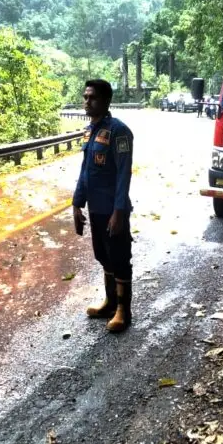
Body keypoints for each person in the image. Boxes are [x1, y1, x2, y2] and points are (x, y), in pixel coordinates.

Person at [72, 79, 135, 333]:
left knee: (119, 257)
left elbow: (123, 174)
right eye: (85, 97)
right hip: (95, 208)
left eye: (92, 98)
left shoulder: (120, 132)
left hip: (112, 209)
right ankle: (110, 303)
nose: (87, 102)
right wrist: (77, 204)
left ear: (106, 100)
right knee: (102, 255)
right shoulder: (90, 131)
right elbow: (85, 172)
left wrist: (119, 211)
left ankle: (123, 310)